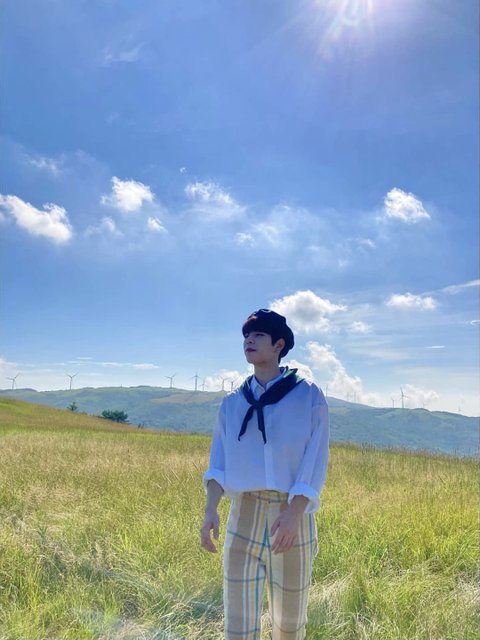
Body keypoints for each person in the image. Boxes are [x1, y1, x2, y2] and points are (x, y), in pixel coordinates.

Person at [201, 308, 329, 640]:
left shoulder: (307, 395)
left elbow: (315, 459)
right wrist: (211, 509)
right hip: (243, 513)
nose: (249, 340)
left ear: (279, 345)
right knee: (238, 622)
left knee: (289, 623)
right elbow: (219, 461)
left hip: (290, 515)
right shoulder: (233, 402)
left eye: (258, 335)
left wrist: (294, 513)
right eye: (246, 335)